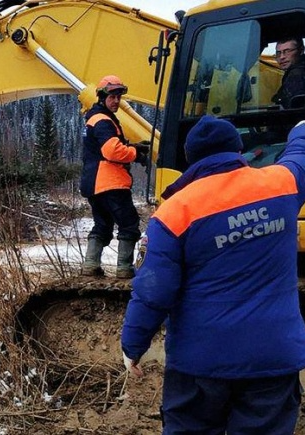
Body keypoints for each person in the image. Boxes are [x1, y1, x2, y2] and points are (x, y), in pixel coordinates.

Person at [121, 115, 305, 434]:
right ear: (238, 149)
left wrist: (133, 344)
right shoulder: (282, 183)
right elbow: (300, 157)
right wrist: (301, 130)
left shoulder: (174, 212)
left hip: (199, 367)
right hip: (271, 360)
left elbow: (153, 289)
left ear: (191, 159)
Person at [80, 75, 149, 278]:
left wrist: (131, 146)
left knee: (102, 224)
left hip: (93, 183)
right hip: (110, 183)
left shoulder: (94, 118)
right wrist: (136, 153)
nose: (117, 101)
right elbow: (112, 151)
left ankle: (90, 265)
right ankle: (124, 269)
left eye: (119, 96)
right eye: (113, 96)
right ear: (102, 97)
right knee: (128, 223)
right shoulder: (103, 120)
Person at [272, 37, 305, 108]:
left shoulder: (296, 74)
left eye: (287, 51)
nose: (281, 57)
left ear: (301, 50)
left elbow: (297, 109)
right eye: (278, 53)